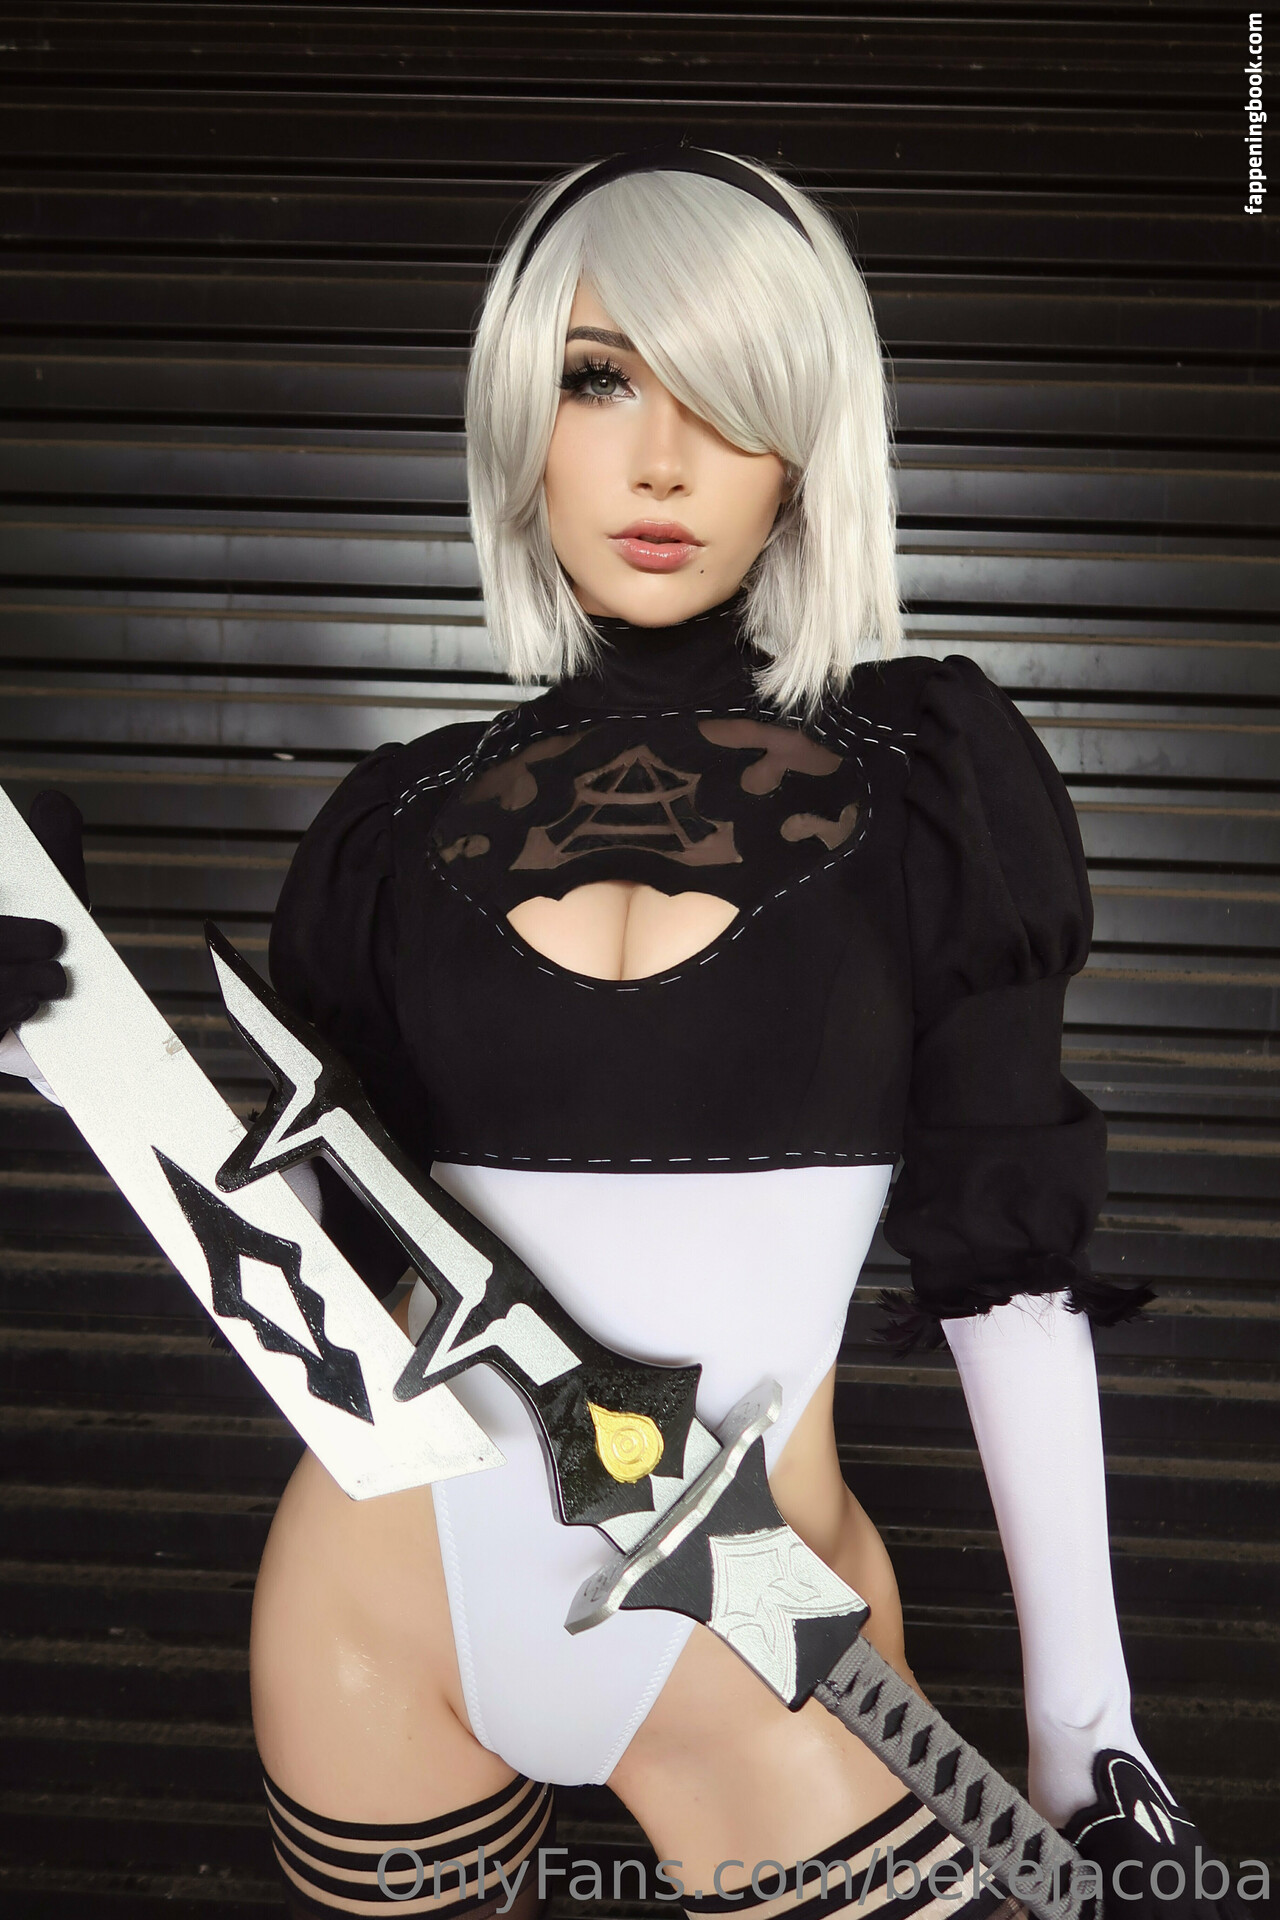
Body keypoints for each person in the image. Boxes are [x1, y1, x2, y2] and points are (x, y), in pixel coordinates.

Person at [0, 151, 1234, 1920]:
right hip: (377, 1601)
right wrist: (65, 1051)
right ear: (524, 417)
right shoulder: (394, 820)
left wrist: (1089, 1738)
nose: (661, 460)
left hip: (756, 1619)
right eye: (599, 380)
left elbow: (1005, 1269)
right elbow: (324, 1246)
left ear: (804, 446)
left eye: (725, 397)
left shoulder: (933, 783)